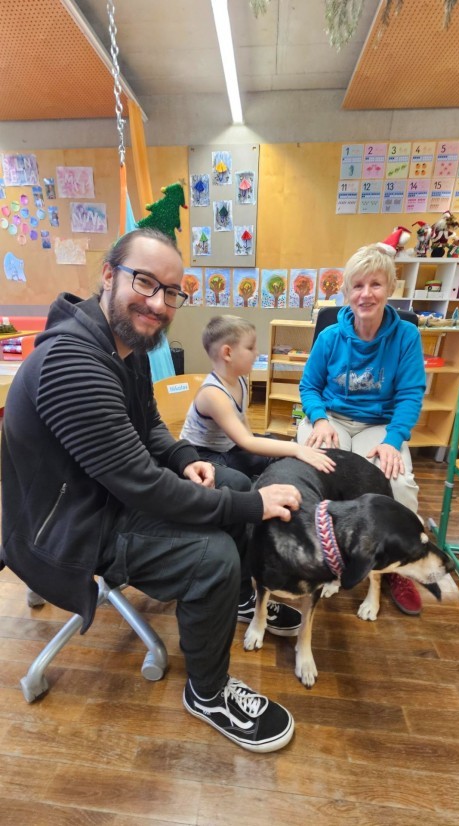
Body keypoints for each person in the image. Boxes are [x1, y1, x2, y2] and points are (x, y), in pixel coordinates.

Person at [0, 227, 302, 753]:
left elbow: (151, 427)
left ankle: (232, 602)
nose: (159, 303)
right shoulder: (72, 363)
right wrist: (253, 504)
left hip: (104, 493)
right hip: (70, 525)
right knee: (213, 554)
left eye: (172, 291)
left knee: (227, 478)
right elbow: (143, 485)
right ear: (108, 275)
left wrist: (186, 458)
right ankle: (208, 693)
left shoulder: (127, 345)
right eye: (145, 282)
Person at [180, 314, 336, 631]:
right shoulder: (212, 394)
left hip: (228, 449)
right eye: (251, 347)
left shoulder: (239, 380)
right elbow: (246, 442)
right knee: (243, 481)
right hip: (201, 458)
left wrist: (278, 453)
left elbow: (248, 437)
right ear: (227, 353)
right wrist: (296, 448)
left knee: (274, 461)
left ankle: (280, 535)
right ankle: (243, 598)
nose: (257, 353)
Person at [297, 242, 426, 616]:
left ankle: (396, 564)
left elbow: (410, 394)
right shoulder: (330, 337)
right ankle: (323, 554)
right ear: (346, 291)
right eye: (357, 285)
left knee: (399, 484)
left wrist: (393, 440)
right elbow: (309, 386)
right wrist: (319, 418)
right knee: (312, 473)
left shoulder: (406, 336)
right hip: (332, 418)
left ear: (391, 289)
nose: (365, 294)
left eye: (375, 284)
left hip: (380, 424)